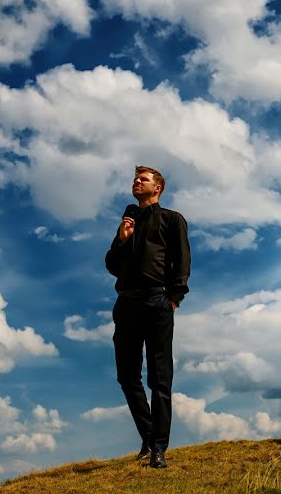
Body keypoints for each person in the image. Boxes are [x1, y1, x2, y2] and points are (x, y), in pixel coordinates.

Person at [105, 166, 190, 469]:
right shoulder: (127, 222)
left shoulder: (172, 219)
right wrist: (121, 239)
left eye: (144, 179)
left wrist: (175, 298)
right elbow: (113, 265)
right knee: (127, 376)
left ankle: (159, 449)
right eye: (135, 179)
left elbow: (182, 259)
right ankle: (149, 435)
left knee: (159, 377)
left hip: (158, 300)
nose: (137, 182)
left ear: (158, 188)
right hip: (126, 302)